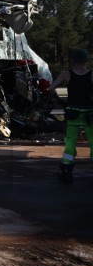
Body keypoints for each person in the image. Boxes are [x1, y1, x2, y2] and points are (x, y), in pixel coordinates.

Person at [48, 49, 93, 182]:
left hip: (72, 113)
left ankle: (67, 168)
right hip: (90, 114)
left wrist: (62, 99)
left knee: (70, 143)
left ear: (74, 61)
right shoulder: (91, 74)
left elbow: (51, 88)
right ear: (86, 61)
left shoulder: (66, 74)